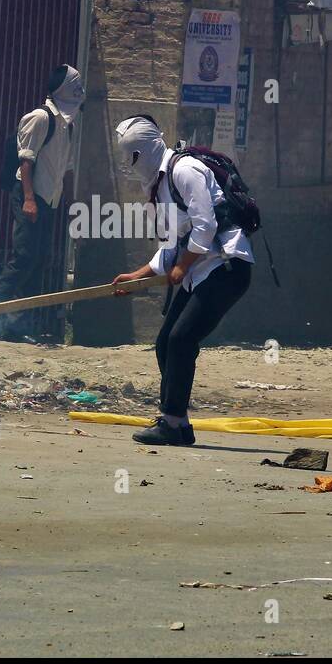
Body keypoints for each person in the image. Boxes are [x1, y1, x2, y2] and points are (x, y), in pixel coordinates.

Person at [110, 115, 254, 446]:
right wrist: (138, 276)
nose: (130, 165)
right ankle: (178, 423)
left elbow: (205, 227)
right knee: (165, 344)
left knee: (181, 340)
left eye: (132, 156)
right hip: (202, 271)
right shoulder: (159, 188)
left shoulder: (184, 170)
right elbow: (171, 248)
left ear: (145, 150)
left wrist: (182, 266)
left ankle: (172, 422)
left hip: (226, 268)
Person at [0, 64, 85, 340]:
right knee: (23, 257)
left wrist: (70, 203)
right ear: (63, 89)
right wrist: (28, 199)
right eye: (75, 85)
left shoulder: (67, 125)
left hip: (49, 200)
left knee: (39, 260)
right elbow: (27, 161)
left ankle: (17, 325)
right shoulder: (40, 117)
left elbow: (66, 168)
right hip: (30, 196)